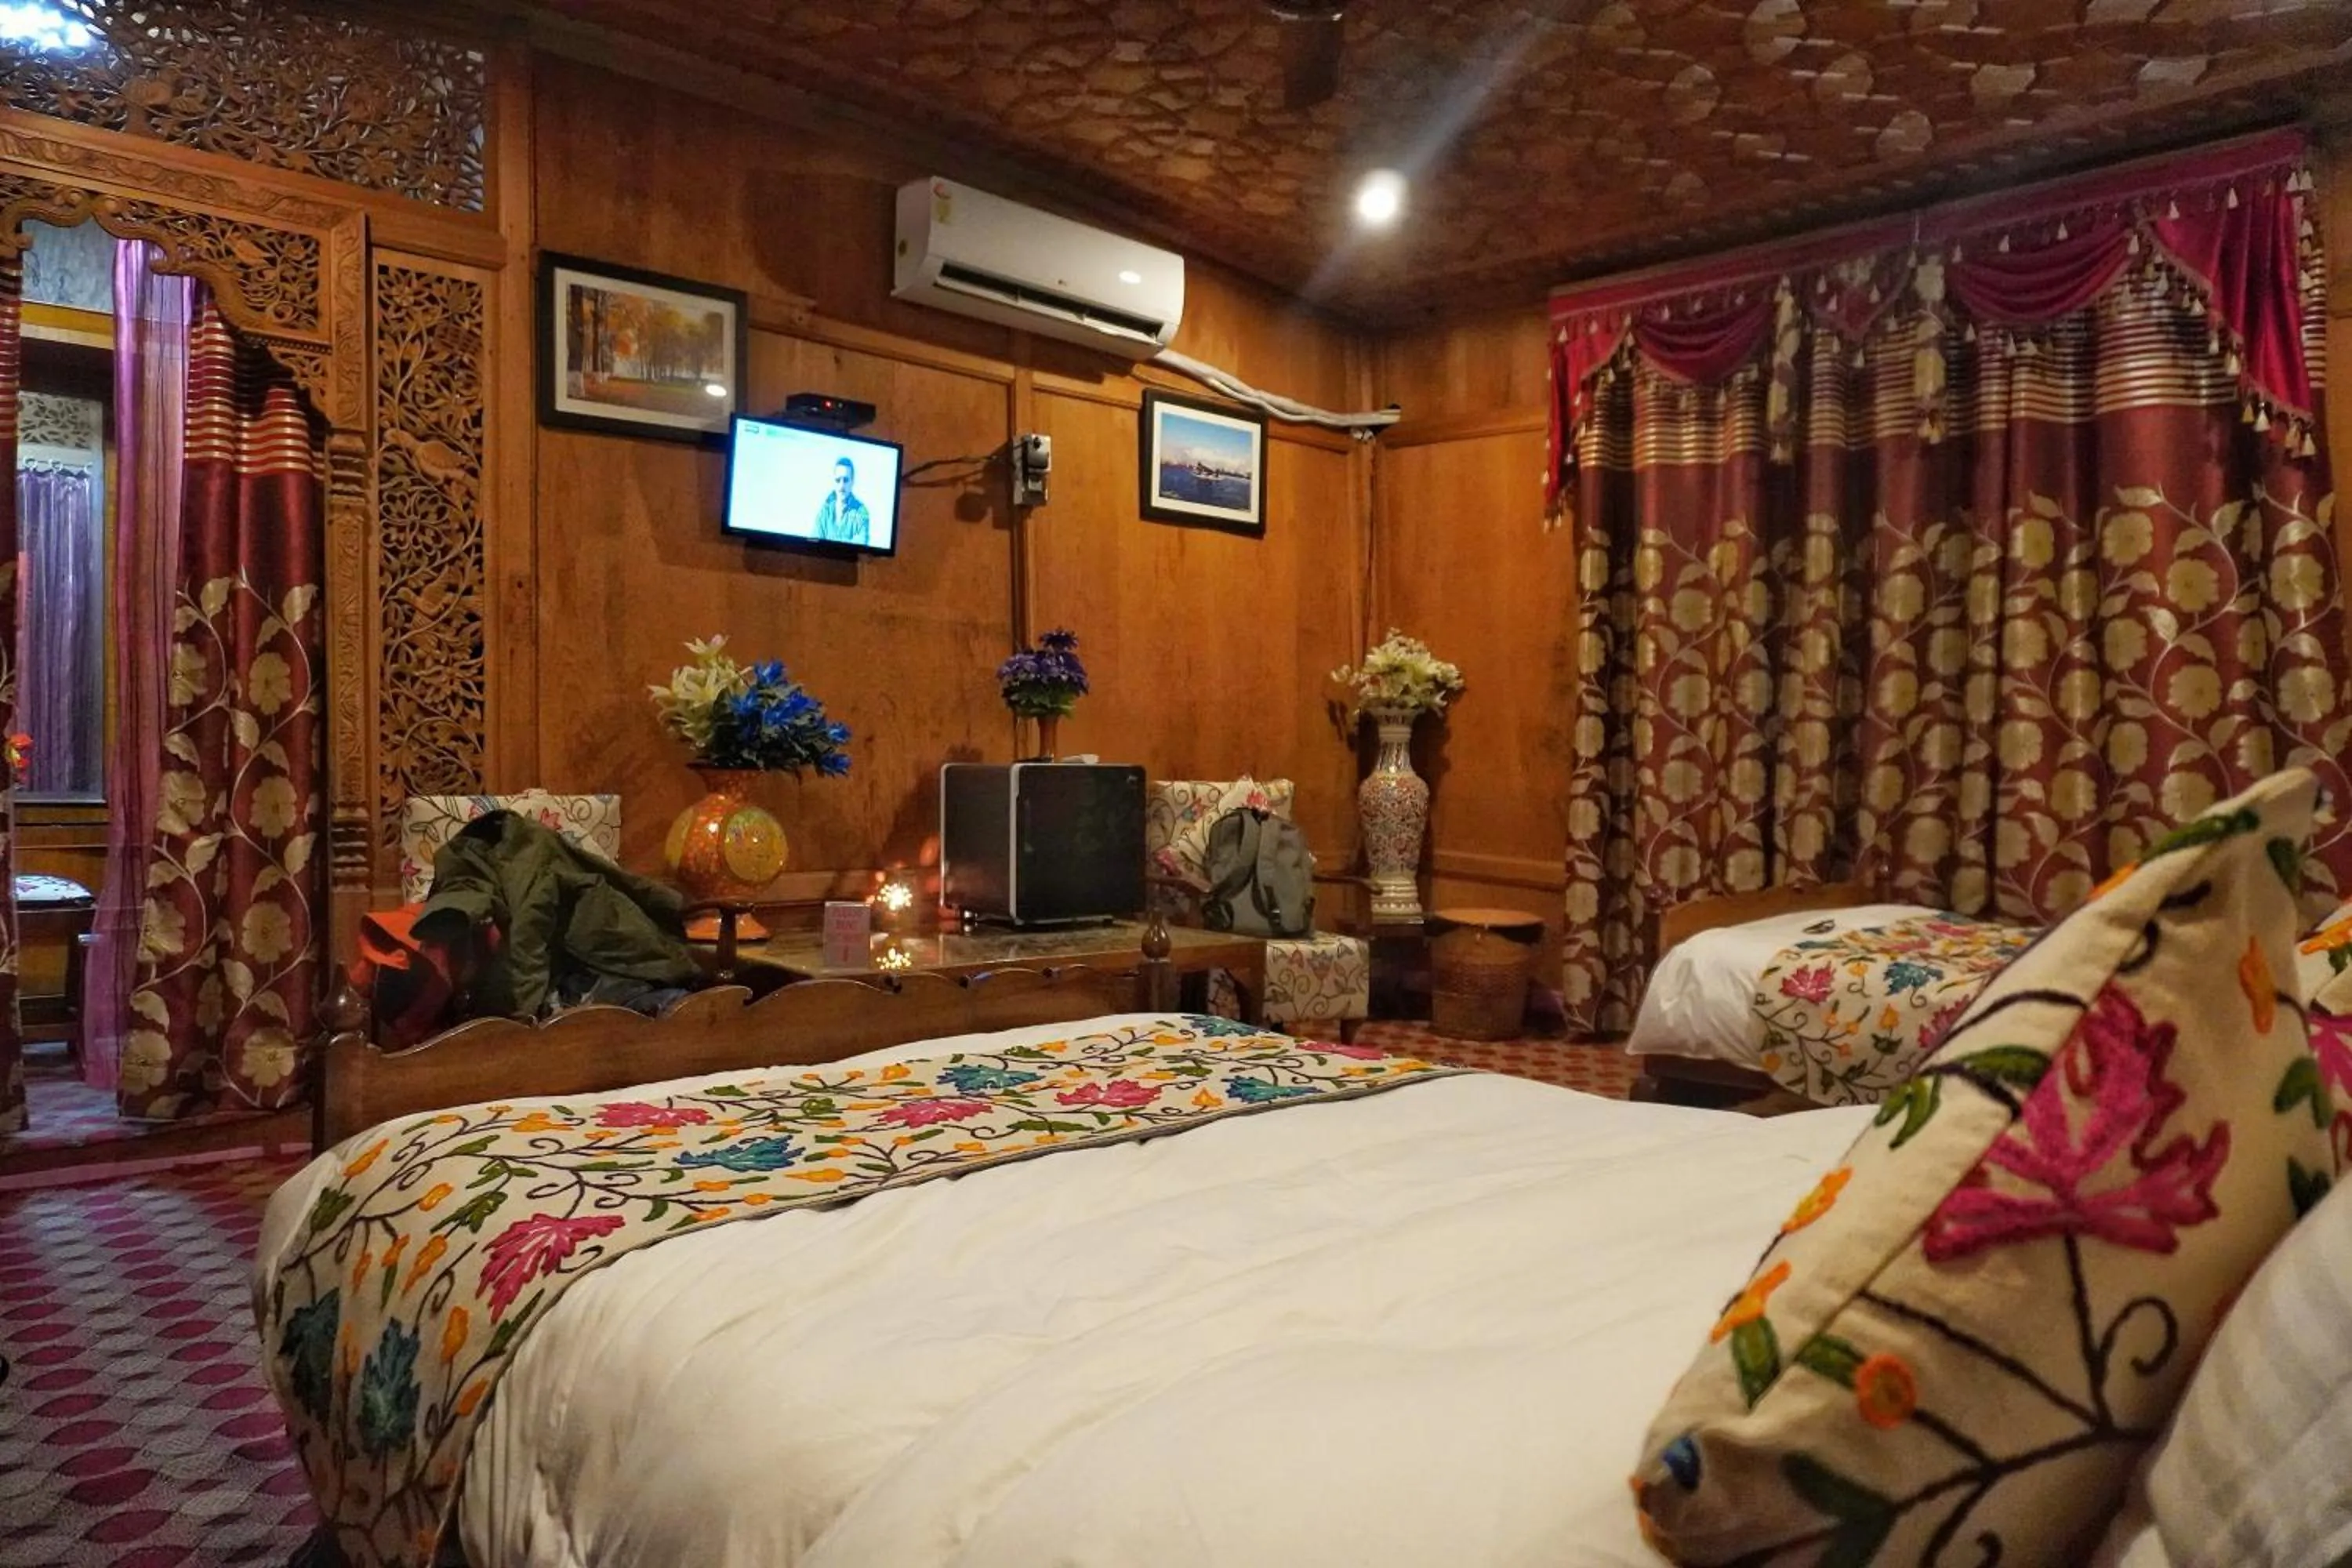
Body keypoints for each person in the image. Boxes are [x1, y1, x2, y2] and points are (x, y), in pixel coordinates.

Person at [814, 456, 871, 545]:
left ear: (852, 482)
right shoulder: (824, 512)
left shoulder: (862, 514)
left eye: (846, 480)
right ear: (833, 481)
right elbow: (814, 544)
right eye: (838, 480)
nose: (841, 486)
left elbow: (861, 546)